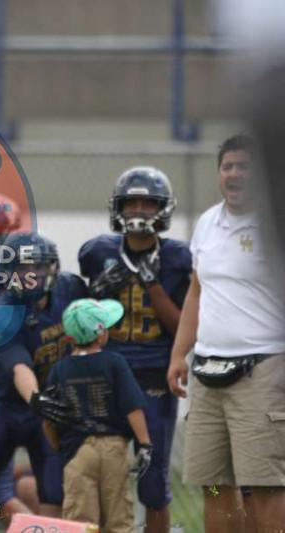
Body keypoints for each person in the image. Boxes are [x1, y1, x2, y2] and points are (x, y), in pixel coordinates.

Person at [167, 133, 285, 533]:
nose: (234, 174)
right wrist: (179, 354)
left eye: (244, 166)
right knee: (215, 484)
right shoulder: (207, 224)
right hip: (208, 372)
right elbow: (197, 292)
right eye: (227, 166)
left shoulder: (275, 224)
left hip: (263, 370)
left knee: (266, 484)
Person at [78, 166, 191, 533]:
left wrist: (151, 284)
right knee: (96, 475)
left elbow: (182, 327)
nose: (139, 210)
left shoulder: (177, 258)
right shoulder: (98, 253)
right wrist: (96, 295)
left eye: (148, 203)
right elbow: (83, 324)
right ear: (119, 208)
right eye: (131, 203)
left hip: (153, 378)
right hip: (107, 376)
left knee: (153, 483)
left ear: (163, 208)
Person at [0, 233, 86, 528]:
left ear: (51, 267)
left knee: (53, 490)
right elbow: (18, 366)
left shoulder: (71, 290)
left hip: (49, 404)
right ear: (8, 271)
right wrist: (37, 399)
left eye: (37, 266)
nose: (31, 274)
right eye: (22, 267)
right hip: (4, 405)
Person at [45, 298, 153, 533]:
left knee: (81, 523)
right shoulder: (114, 362)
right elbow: (133, 407)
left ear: (69, 338)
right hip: (114, 448)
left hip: (78, 452)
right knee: (120, 519)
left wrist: (58, 446)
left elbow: (48, 419)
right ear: (101, 334)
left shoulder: (59, 370)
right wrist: (145, 444)